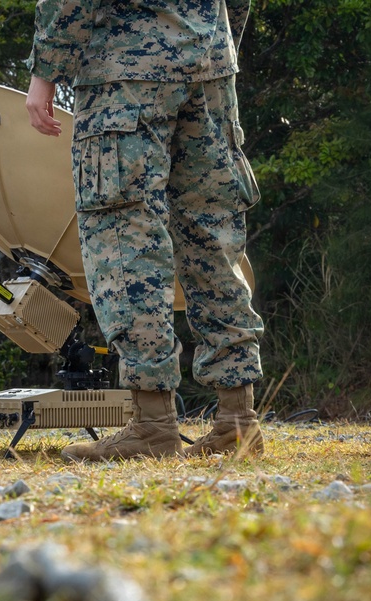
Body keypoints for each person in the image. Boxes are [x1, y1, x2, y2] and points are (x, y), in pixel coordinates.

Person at [25, 1, 264, 461]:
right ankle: (238, 418)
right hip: (210, 68)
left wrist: (45, 72)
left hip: (126, 70)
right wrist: (208, 42)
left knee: (124, 236)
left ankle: (154, 426)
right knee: (213, 235)